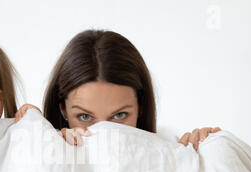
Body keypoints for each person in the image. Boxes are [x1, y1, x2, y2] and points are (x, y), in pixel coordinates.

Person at [19, 29, 220, 150]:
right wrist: (39, 132)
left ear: (140, 107)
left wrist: (200, 146)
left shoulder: (167, 151)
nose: (104, 134)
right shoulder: (49, 153)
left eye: (120, 115)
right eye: (85, 117)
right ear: (62, 109)